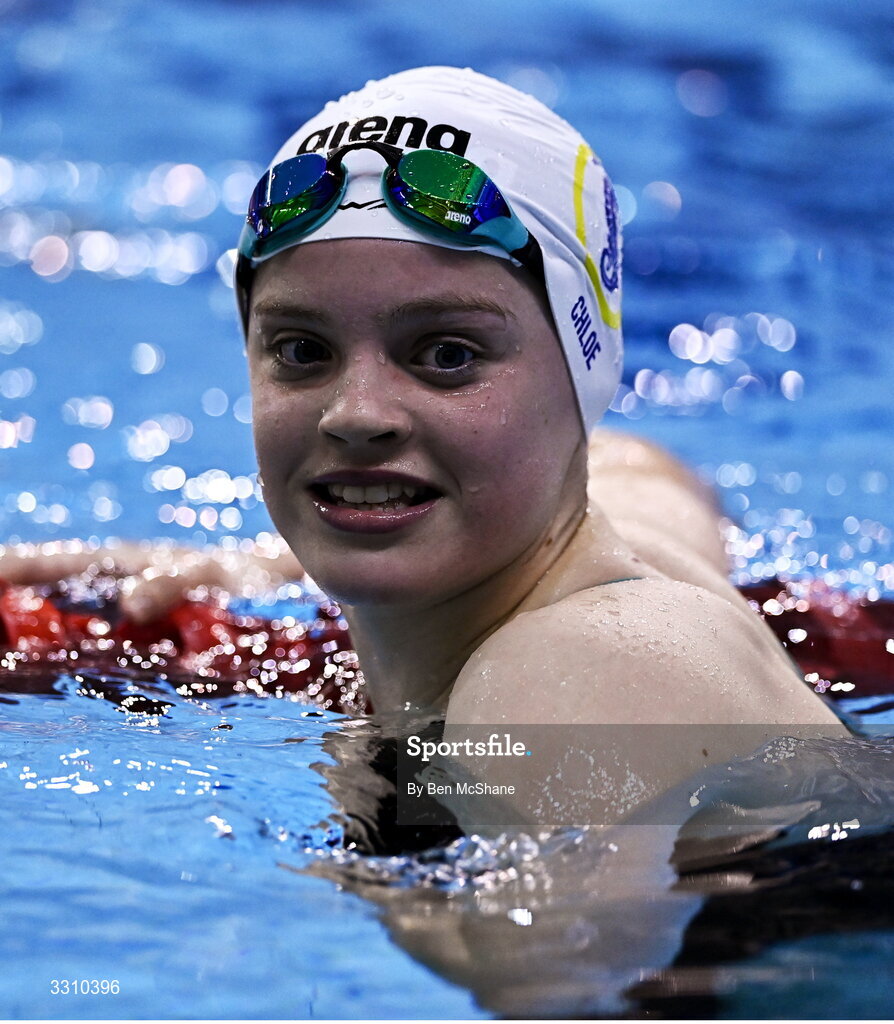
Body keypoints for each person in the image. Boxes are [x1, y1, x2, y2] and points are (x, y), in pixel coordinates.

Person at [0, 66, 845, 835]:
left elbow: (569, 963)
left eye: (447, 354)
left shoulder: (568, 679)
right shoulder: (620, 556)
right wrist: (267, 565)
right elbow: (646, 470)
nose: (355, 416)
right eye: (303, 350)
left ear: (581, 379)